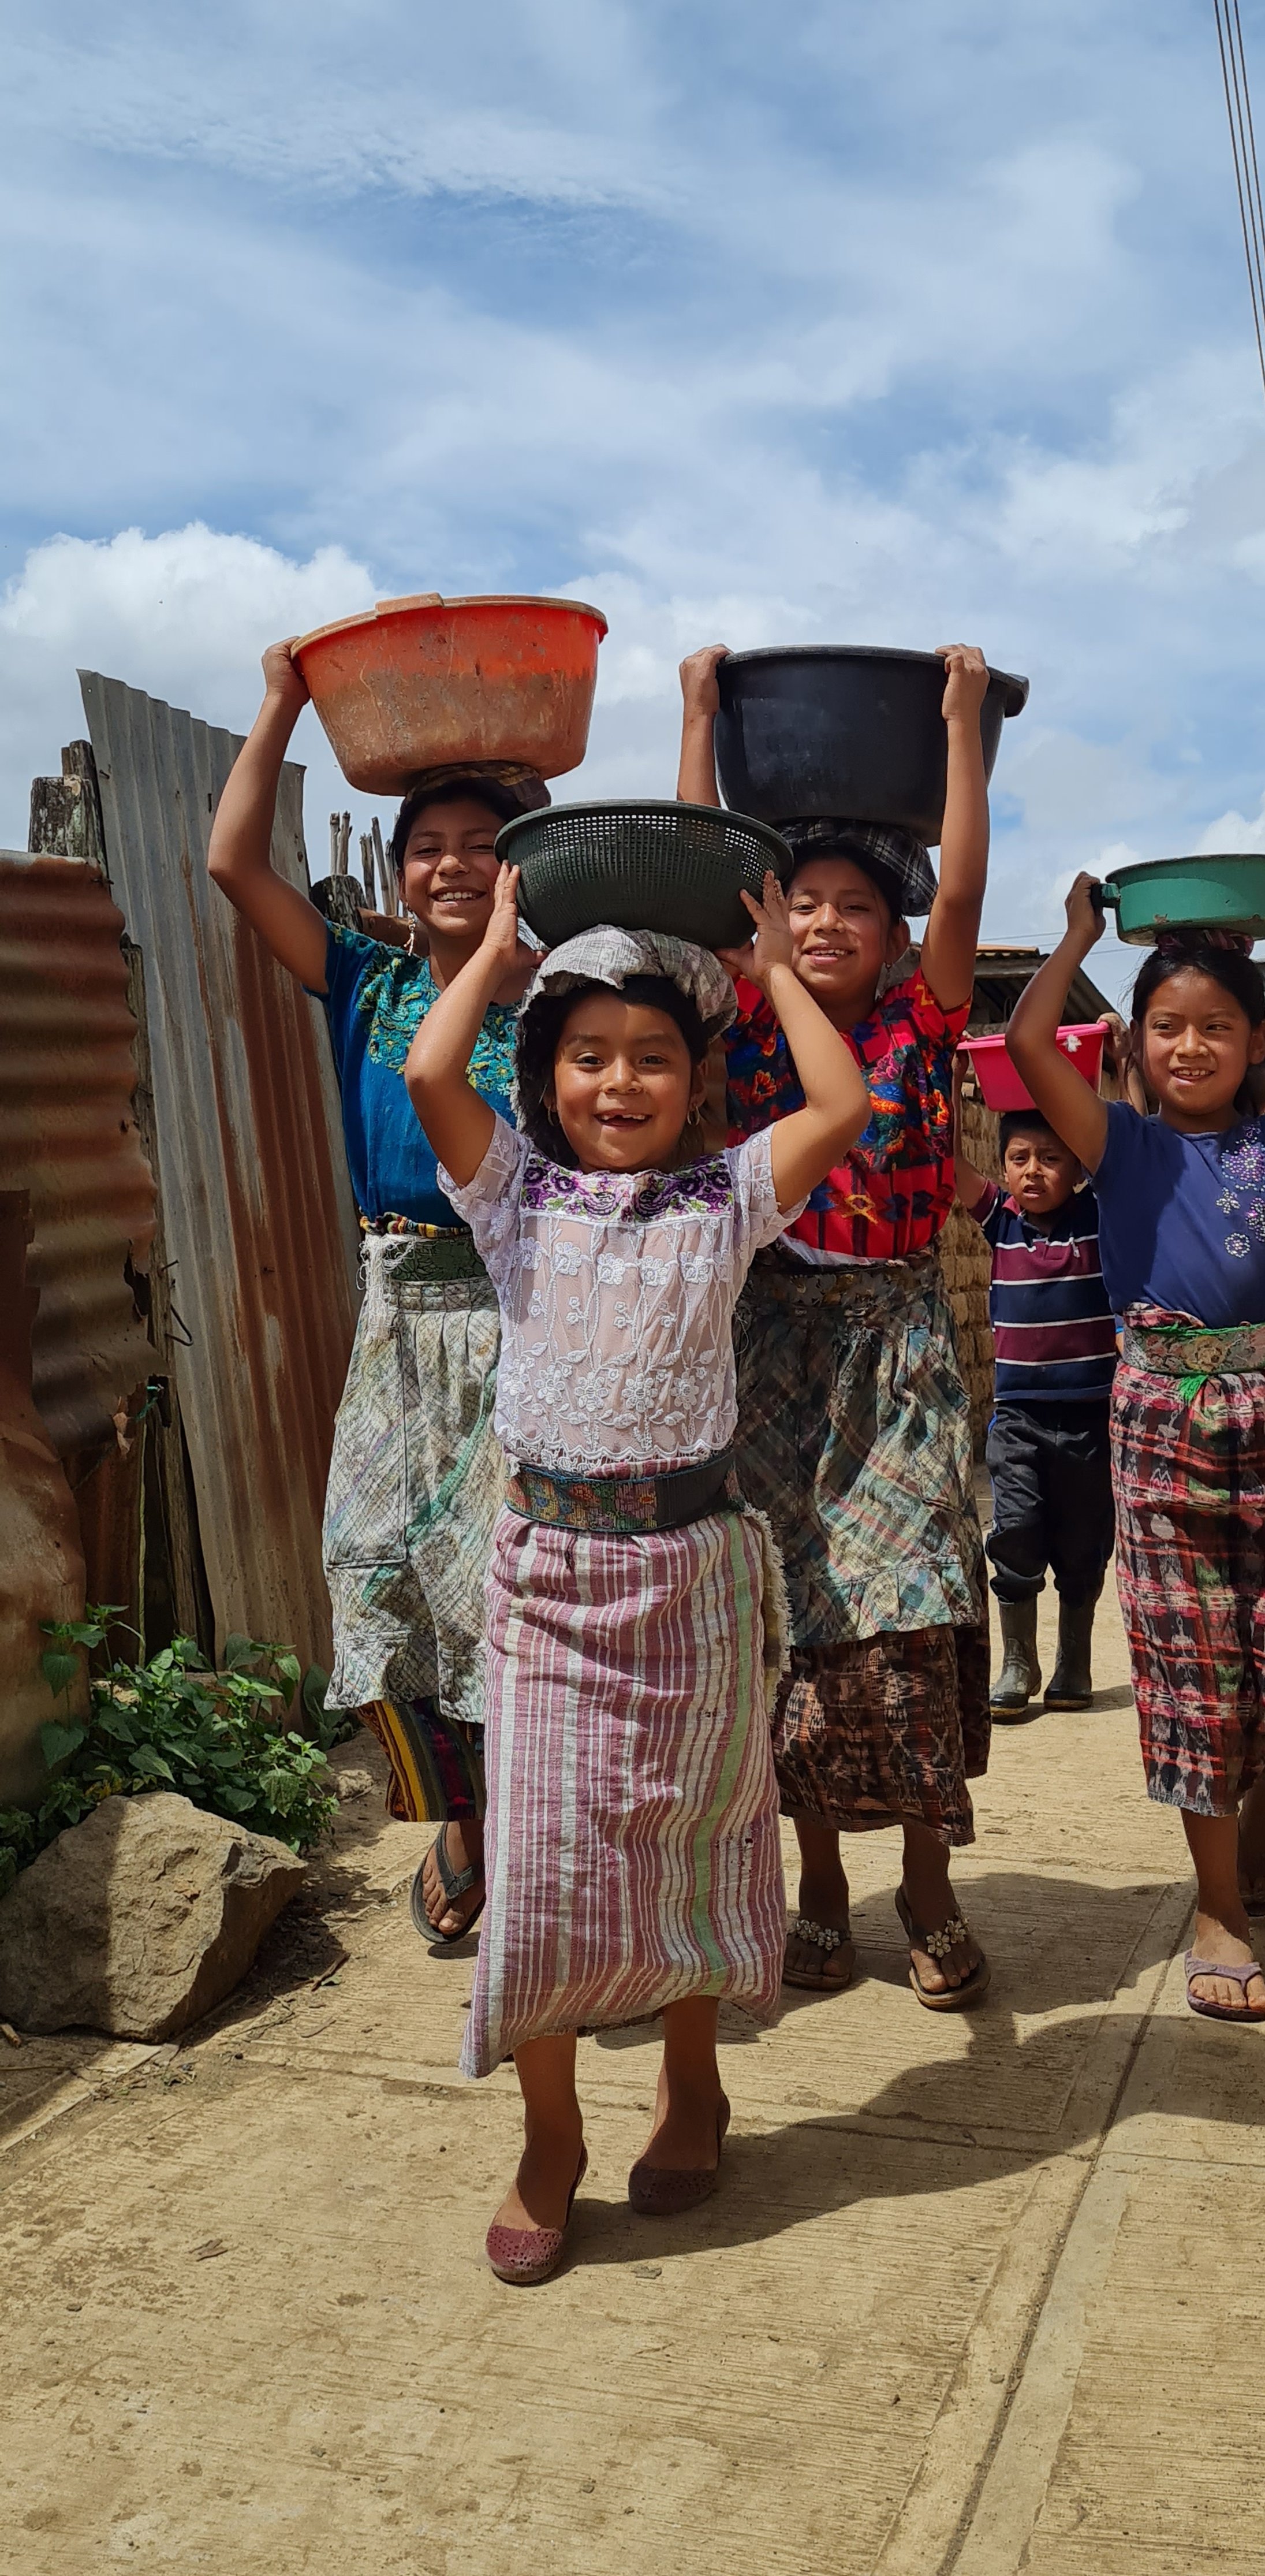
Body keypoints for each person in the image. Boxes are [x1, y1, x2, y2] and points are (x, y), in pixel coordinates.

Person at [404, 864, 868, 2285]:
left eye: (653, 1057)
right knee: (542, 1871)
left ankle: (694, 2086)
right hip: (548, 1578)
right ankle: (552, 2136)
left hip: (696, 1578)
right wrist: (493, 954)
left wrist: (773, 961)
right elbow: (431, 1065)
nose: (620, 1082)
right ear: (545, 1078)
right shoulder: (511, 1198)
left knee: (687, 1848)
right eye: (589, 1056)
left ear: (695, 1080)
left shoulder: (726, 1200)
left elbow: (841, 1108)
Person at [1006, 859, 1265, 2024]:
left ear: (1250, 1042)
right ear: (1132, 1049)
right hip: (1158, 1420)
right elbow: (1033, 1041)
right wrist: (1076, 935)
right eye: (1166, 1028)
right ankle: (1215, 1906)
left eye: (1215, 1028)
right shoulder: (1118, 1147)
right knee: (1190, 1670)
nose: (1189, 1047)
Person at [207, 639, 539, 1947]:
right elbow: (236, 863)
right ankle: (465, 1819)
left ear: (519, 866)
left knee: (518, 1587)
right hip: (400, 1318)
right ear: (401, 874)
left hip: (526, 1321)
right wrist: (283, 702)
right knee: (381, 1578)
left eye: (479, 843)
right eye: (429, 846)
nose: (449, 865)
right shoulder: (371, 983)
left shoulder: (565, 1003)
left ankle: (528, 1821)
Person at [677, 641, 992, 2011]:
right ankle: (816, 1882)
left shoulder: (924, 1025)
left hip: (898, 1343)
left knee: (909, 1621)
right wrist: (696, 715)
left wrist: (962, 728)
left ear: (894, 930)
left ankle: (926, 1879)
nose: (823, 925)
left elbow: (967, 879)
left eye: (853, 906)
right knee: (791, 1634)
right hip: (770, 1348)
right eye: (800, 906)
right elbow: (699, 885)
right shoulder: (745, 1030)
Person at [954, 1107, 1118, 1720]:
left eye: (1051, 1157)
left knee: (1083, 1540)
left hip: (1088, 1418)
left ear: (1077, 1165)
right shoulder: (1001, 1223)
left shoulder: (1096, 1217)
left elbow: (1125, 1157)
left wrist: (1121, 1068)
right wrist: (950, 1073)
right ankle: (1018, 1660)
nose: (1033, 1171)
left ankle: (1073, 1658)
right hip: (1018, 1416)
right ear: (1002, 1166)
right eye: (1019, 1157)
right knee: (1015, 1530)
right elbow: (951, 1164)